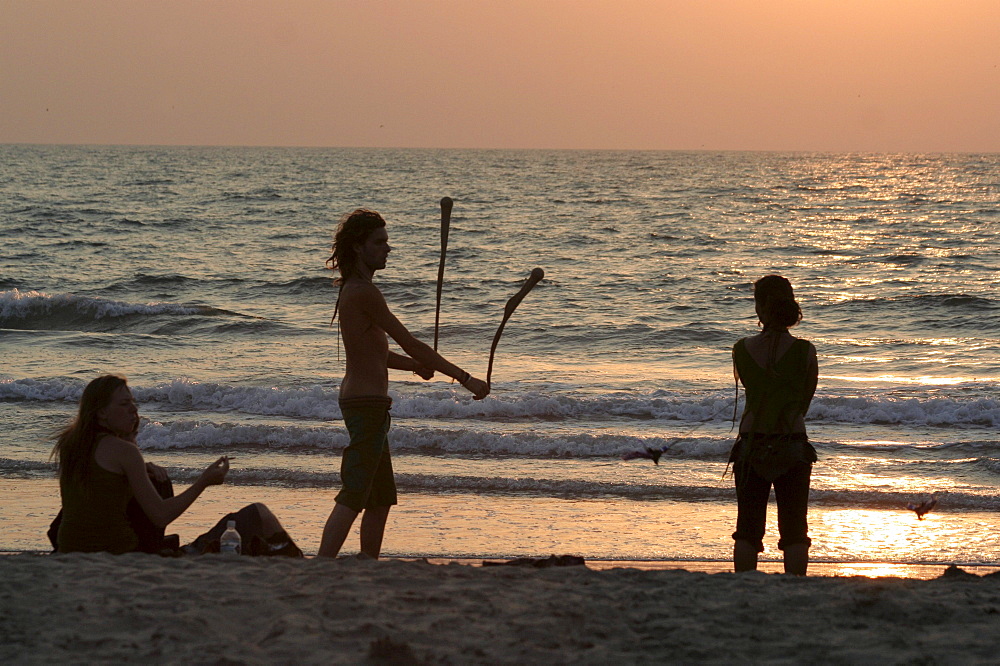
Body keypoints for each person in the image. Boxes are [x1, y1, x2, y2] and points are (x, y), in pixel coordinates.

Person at [318, 208, 490, 559]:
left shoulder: (357, 290)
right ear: (357, 247)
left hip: (368, 402)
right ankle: (320, 565)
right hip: (365, 404)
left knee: (380, 498)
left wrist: (414, 366)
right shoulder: (363, 292)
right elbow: (409, 340)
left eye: (387, 241)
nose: (388, 248)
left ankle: (368, 564)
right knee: (354, 493)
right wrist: (465, 378)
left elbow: (376, 352)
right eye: (379, 242)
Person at [51, 374, 296, 555]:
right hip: (120, 553)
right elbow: (160, 516)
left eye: (133, 403)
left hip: (70, 550)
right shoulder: (124, 452)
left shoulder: (71, 444)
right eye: (124, 404)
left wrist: (137, 460)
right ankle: (297, 563)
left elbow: (96, 494)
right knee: (258, 513)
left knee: (159, 482)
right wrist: (204, 481)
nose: (134, 410)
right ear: (101, 413)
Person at [730, 275, 818, 575]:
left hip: (751, 445)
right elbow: (804, 403)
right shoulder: (806, 351)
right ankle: (795, 587)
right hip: (791, 444)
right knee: (794, 530)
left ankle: (743, 586)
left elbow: (753, 392)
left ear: (759, 308)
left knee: (747, 530)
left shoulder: (740, 349)